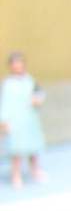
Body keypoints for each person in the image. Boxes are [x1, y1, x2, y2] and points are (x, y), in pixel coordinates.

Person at [0, 52, 46, 187]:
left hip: (29, 119)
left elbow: (39, 93)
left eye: (20, 63)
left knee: (33, 149)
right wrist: (4, 121)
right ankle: (16, 175)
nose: (17, 66)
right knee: (16, 151)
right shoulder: (8, 84)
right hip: (15, 121)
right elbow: (5, 103)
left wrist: (38, 100)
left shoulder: (30, 80)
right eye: (15, 64)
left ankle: (35, 170)